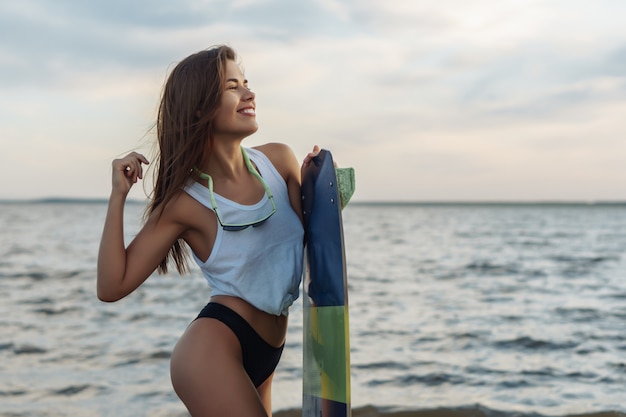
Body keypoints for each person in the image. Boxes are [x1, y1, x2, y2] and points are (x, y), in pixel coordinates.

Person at [97, 45, 319, 417]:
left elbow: (314, 238)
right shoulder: (186, 202)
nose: (249, 93)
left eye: (247, 83)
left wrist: (321, 184)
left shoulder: (280, 162)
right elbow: (111, 286)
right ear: (200, 108)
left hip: (269, 349)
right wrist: (118, 196)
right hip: (212, 349)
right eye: (232, 87)